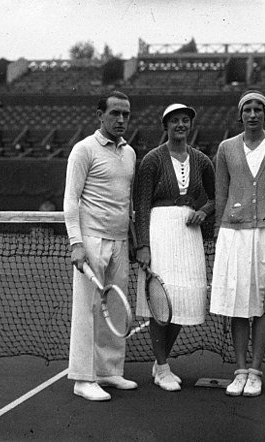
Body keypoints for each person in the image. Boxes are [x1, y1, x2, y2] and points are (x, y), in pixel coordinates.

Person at [210, 90, 265, 397]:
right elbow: (221, 193)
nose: (253, 114)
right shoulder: (226, 148)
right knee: (239, 306)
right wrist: (219, 230)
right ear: (240, 114)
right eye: (247, 109)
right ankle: (240, 370)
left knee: (263, 306)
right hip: (234, 236)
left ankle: (255, 372)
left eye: (258, 109)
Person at [135, 103, 215, 392]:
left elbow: (217, 197)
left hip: (188, 234)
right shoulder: (152, 160)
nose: (180, 125)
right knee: (161, 300)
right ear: (165, 126)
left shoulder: (203, 160)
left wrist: (204, 210)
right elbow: (141, 206)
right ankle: (163, 366)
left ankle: (160, 364)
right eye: (175, 121)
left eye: (185, 121)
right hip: (159, 231)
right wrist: (142, 245)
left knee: (181, 302)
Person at [63, 91, 138, 401]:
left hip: (120, 241)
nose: (121, 119)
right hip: (91, 241)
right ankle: (83, 378)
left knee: (115, 309)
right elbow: (71, 199)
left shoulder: (130, 153)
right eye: (115, 113)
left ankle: (108, 372)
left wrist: (133, 239)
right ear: (101, 115)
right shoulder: (83, 150)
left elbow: (127, 200)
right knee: (88, 310)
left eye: (126, 114)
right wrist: (76, 243)